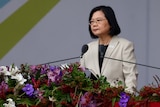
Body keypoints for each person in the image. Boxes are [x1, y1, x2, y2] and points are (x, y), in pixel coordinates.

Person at [80, 5, 138, 94]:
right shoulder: (88, 48)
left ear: (110, 22)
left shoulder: (124, 45)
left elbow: (130, 76)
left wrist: (127, 99)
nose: (94, 24)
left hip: (116, 100)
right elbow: (81, 78)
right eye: (92, 21)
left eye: (98, 20)